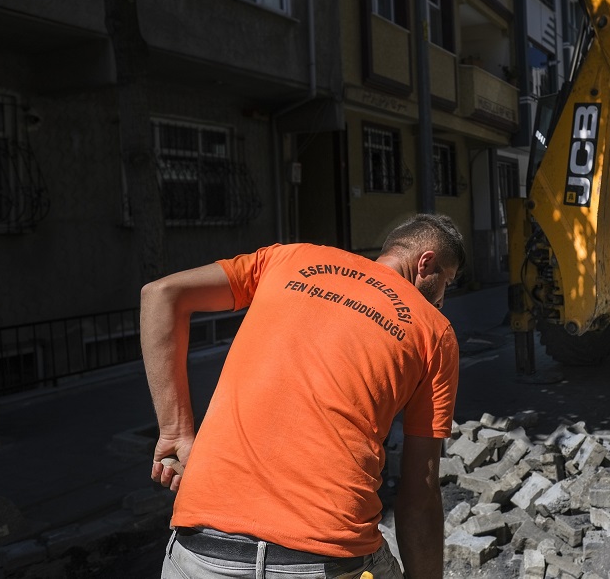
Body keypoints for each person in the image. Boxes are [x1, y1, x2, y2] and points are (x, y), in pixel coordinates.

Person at [140, 213, 465, 579]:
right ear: (426, 262)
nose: (442, 298)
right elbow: (420, 494)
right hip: (325, 557)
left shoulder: (289, 258)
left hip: (200, 551)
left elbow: (161, 294)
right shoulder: (434, 332)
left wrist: (175, 433)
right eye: (447, 282)